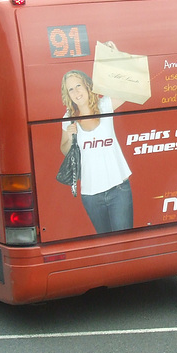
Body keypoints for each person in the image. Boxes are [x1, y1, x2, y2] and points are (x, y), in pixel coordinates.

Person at [60, 69, 133, 234]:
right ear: (67, 94)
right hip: (91, 195)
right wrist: (71, 137)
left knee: (124, 243)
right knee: (107, 245)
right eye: (70, 89)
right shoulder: (68, 117)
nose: (76, 91)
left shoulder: (105, 105)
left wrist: (115, 60)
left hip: (118, 189)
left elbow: (129, 87)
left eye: (78, 85)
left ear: (87, 85)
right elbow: (64, 149)